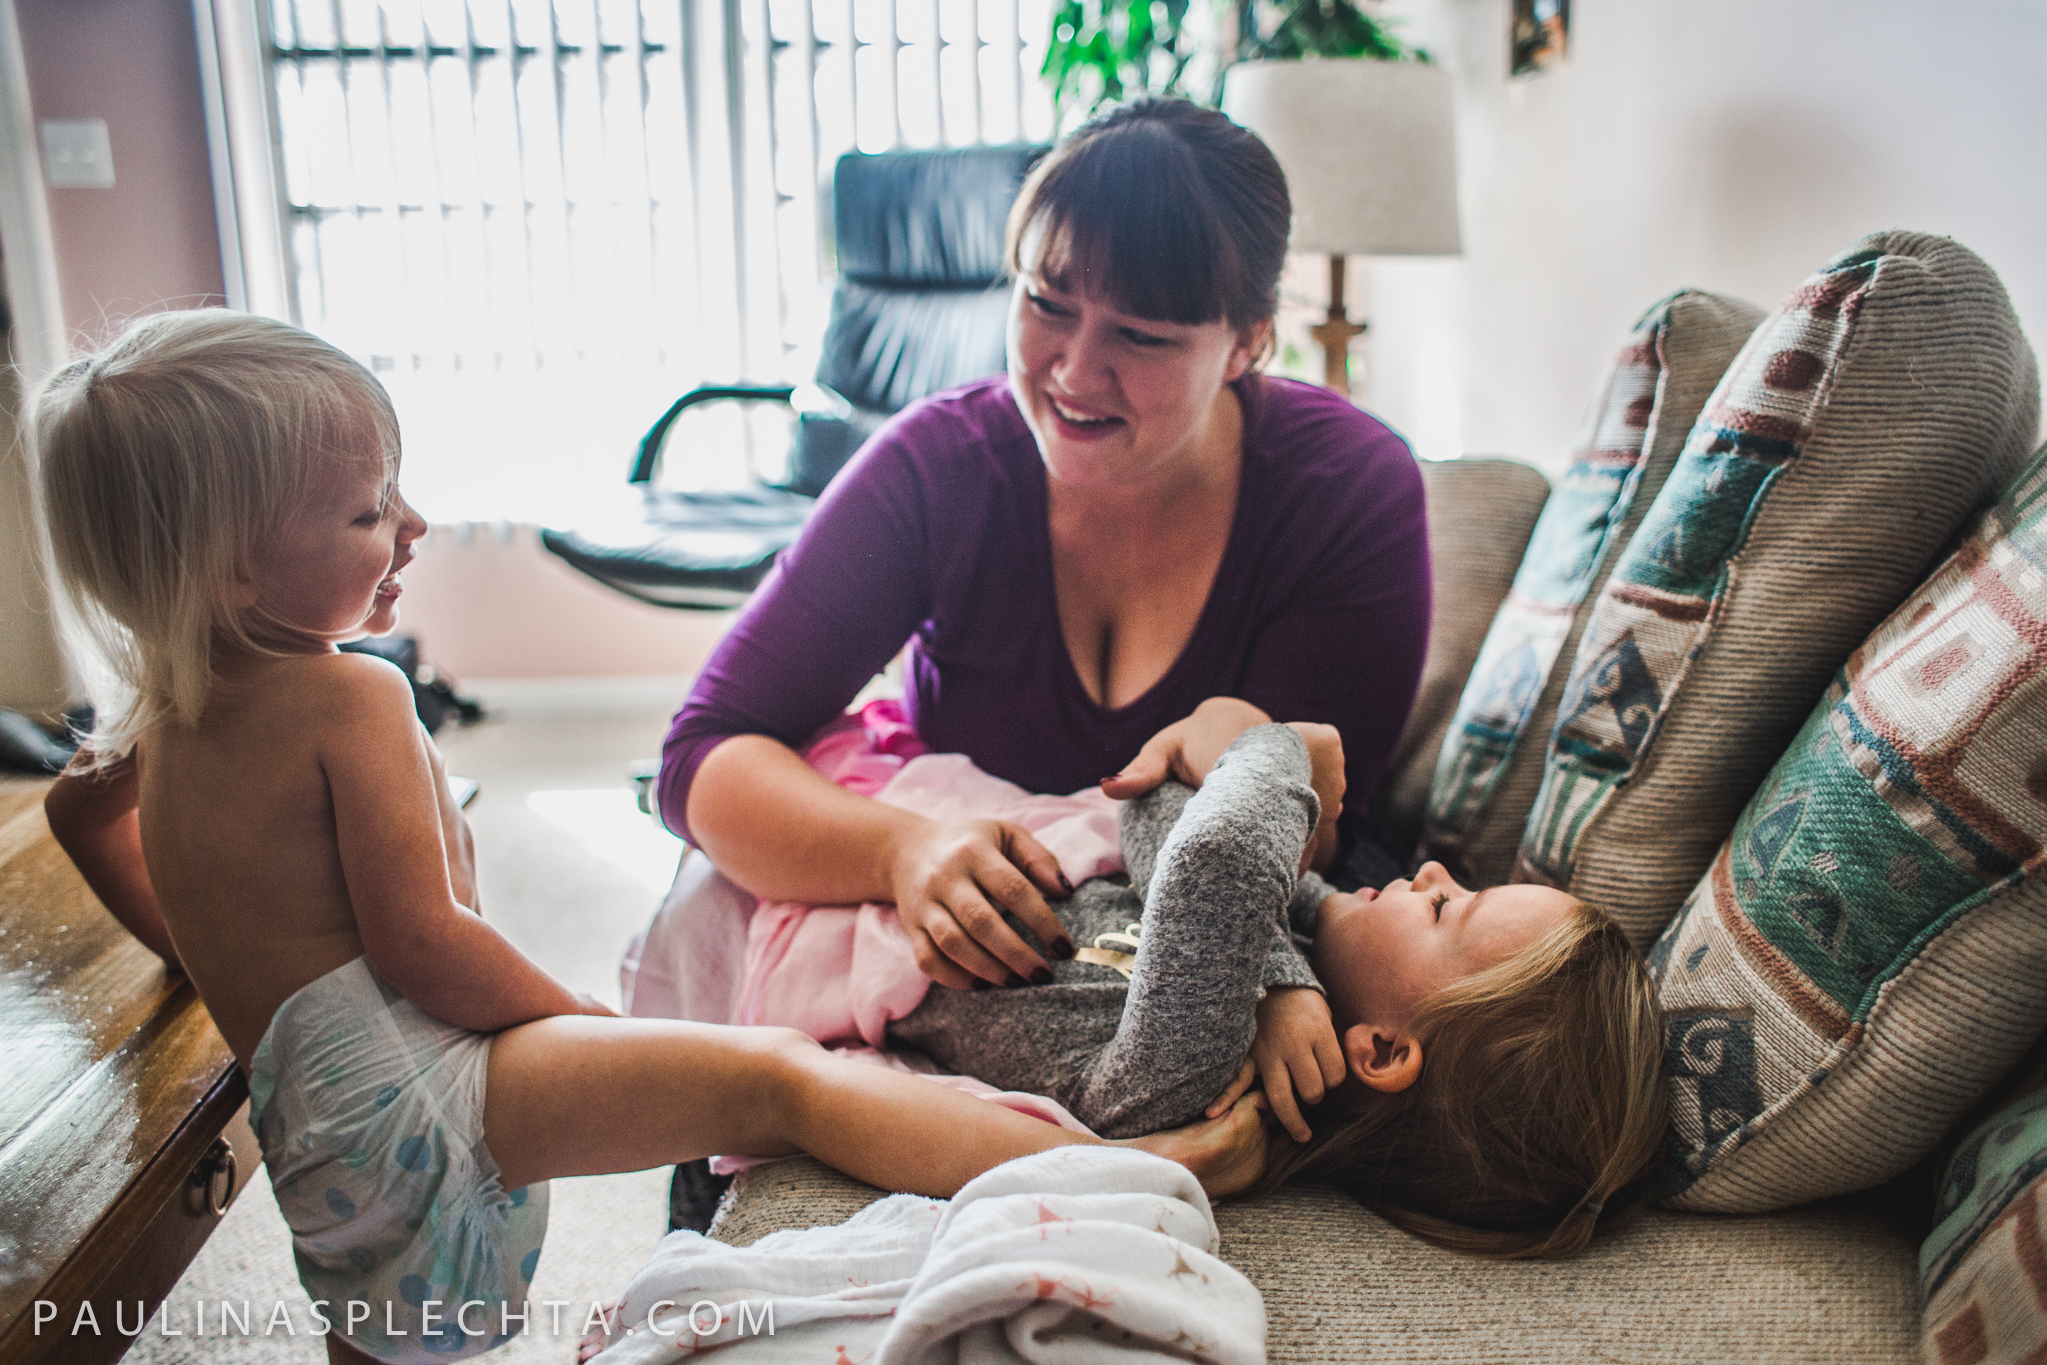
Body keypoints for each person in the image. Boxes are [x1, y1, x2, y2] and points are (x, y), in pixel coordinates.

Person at [29, 311, 1268, 1365]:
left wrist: (215, 957)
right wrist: (583, 1023)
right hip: (412, 1080)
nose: (412, 523)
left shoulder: (162, 704)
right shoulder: (353, 696)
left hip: (311, 1108)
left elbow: (81, 819)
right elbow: (423, 944)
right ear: (237, 573)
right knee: (775, 1075)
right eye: (365, 511)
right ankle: (1125, 1169)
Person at [658, 96, 1432, 1010]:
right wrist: (898, 849)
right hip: (970, 930)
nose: (1072, 371)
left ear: (1247, 342)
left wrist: (1277, 777)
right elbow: (701, 758)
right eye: (1045, 304)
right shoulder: (937, 466)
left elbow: (1304, 854)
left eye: (1140, 336)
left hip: (1205, 942)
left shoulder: (1348, 490)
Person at [829, 697, 1668, 1260]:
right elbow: (1159, 801)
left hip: (815, 923)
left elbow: (1212, 849)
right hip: (907, 819)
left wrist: (1279, 747)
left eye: (1449, 910)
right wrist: (1280, 968)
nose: (1435, 872)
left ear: (1377, 1050)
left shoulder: (1199, 1080)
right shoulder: (1304, 929)